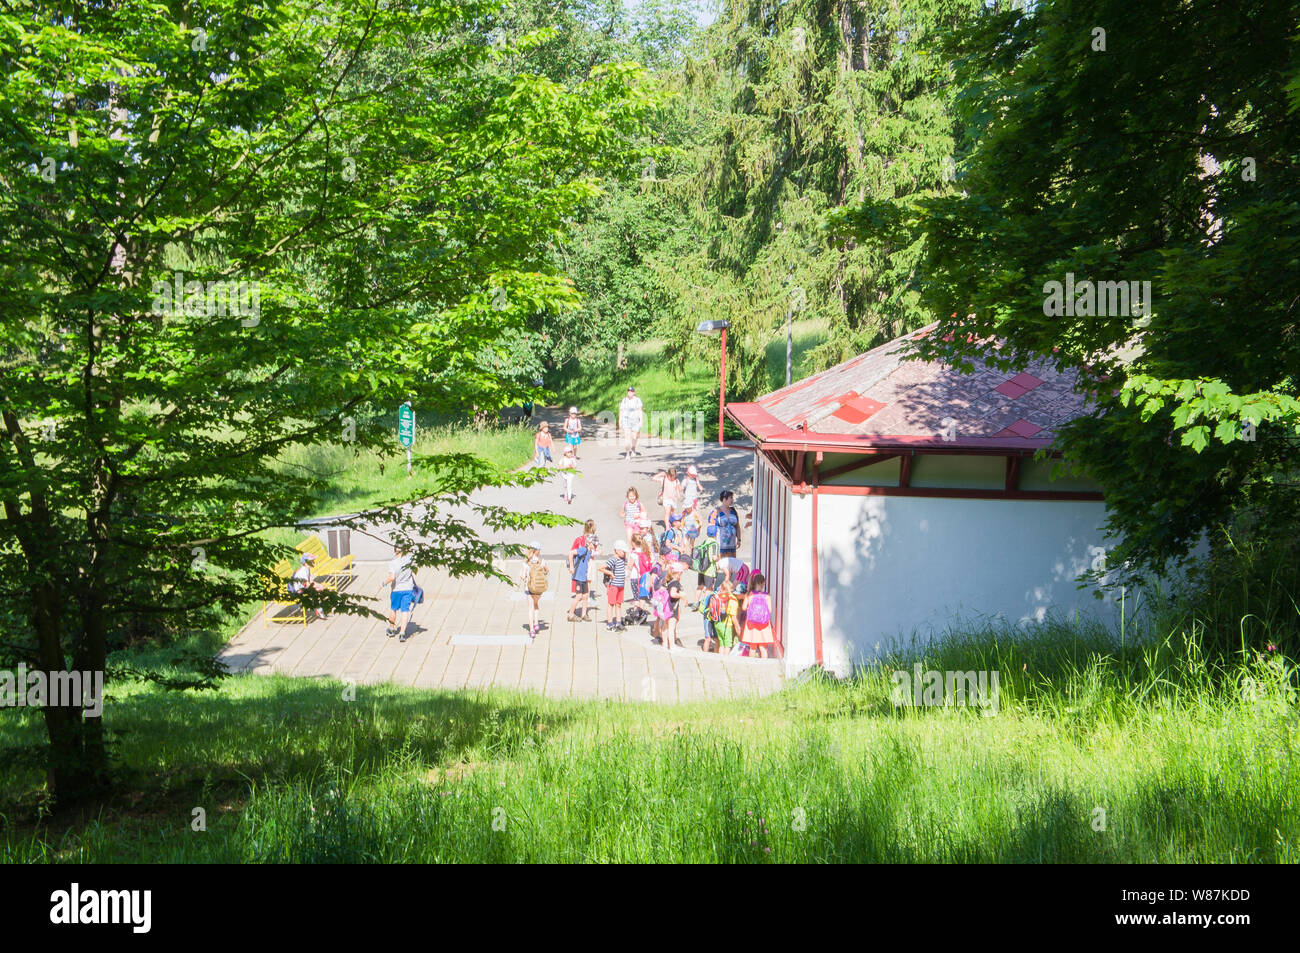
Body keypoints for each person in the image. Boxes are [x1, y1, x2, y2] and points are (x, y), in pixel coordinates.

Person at [384, 544, 416, 640]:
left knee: (393, 609)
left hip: (397, 590)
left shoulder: (393, 563)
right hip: (408, 588)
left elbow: (392, 577)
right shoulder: (409, 560)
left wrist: (383, 583)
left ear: (394, 551)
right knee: (405, 610)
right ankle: (402, 633)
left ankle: (392, 629)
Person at [567, 523, 598, 622]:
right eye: (594, 544)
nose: (595, 546)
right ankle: (571, 614)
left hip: (583, 576)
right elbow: (571, 553)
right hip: (578, 576)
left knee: (585, 595)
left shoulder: (589, 552)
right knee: (579, 596)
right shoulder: (583, 550)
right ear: (589, 543)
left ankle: (584, 614)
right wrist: (571, 566)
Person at [740, 572, 774, 658]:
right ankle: (764, 666)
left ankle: (751, 665)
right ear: (764, 583)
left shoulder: (749, 595)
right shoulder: (767, 596)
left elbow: (743, 608)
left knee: (752, 647)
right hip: (764, 624)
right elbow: (770, 610)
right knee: (763, 647)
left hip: (751, 623)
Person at [289, 552, 328, 620]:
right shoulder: (303, 572)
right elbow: (307, 584)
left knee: (320, 589)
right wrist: (318, 587)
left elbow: (310, 582)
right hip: (295, 591)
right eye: (312, 561)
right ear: (306, 563)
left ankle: (324, 609)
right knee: (314, 592)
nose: (313, 562)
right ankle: (319, 610)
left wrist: (320, 585)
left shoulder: (307, 569)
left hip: (301, 588)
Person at [521, 540, 547, 639]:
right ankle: (536, 623)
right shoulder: (542, 562)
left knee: (530, 608)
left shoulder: (526, 563)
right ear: (538, 551)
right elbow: (547, 571)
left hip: (529, 588)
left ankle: (532, 629)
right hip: (539, 588)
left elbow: (523, 576)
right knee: (536, 605)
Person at [601, 540, 629, 631]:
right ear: (617, 550)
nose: (624, 553)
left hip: (621, 585)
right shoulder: (613, 559)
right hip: (613, 585)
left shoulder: (623, 559)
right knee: (611, 604)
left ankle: (618, 622)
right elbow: (601, 568)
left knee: (619, 604)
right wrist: (610, 573)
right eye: (623, 551)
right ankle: (609, 623)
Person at [709, 489, 742, 559]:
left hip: (732, 546)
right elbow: (711, 528)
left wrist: (739, 540)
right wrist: (713, 547)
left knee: (731, 565)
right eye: (731, 498)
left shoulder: (733, 511)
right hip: (720, 546)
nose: (732, 500)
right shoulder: (716, 511)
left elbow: (737, 527)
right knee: (721, 566)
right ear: (724, 499)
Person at [618, 386, 644, 460]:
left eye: (631, 391)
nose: (630, 393)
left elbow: (640, 410)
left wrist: (641, 420)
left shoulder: (637, 400)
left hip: (635, 420)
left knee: (634, 437)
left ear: (634, 393)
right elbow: (621, 411)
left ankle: (633, 449)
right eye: (629, 391)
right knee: (627, 437)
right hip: (626, 420)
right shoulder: (624, 400)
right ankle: (627, 454)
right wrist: (620, 420)